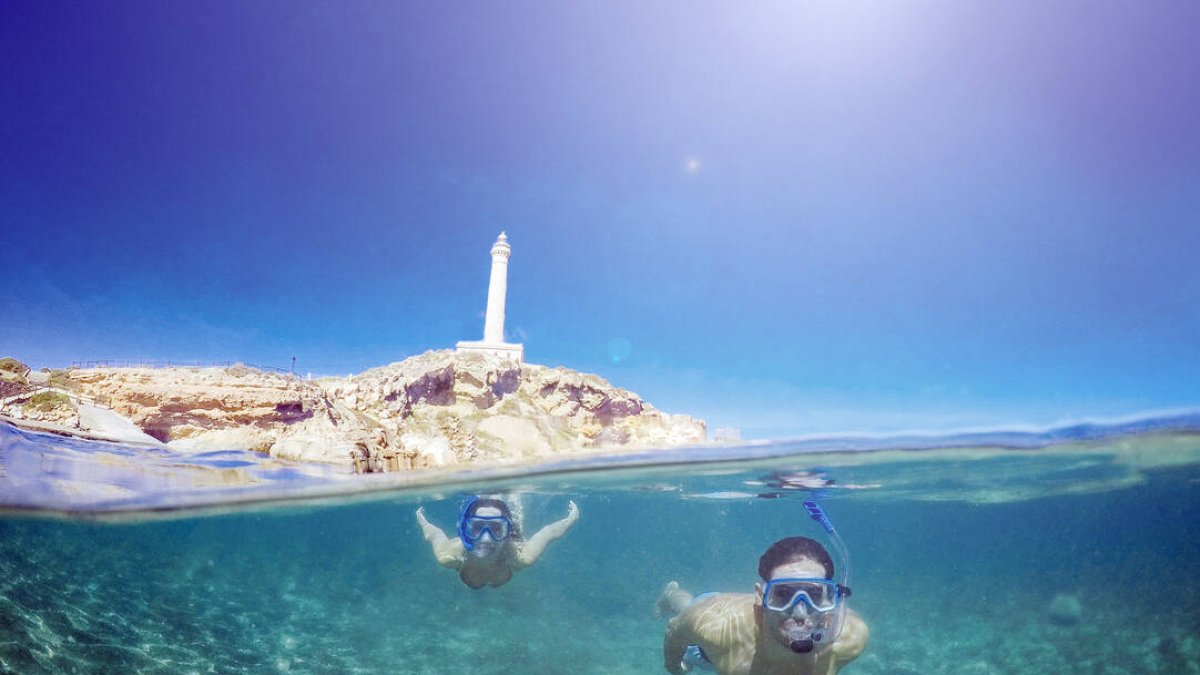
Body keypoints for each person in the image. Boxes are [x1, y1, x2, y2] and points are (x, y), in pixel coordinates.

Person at [658, 532, 868, 675]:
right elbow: (674, 628)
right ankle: (672, 594)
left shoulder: (850, 640)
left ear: (830, 599)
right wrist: (675, 667)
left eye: (813, 594)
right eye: (784, 594)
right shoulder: (717, 627)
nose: (800, 613)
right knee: (685, 606)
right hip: (706, 652)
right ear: (760, 596)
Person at [415, 495, 580, 589]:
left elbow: (548, 533)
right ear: (465, 530)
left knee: (512, 504)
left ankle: (506, 504)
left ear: (506, 533)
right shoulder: (449, 555)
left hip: (511, 538)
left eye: (496, 529)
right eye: (477, 527)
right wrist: (424, 523)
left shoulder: (520, 555)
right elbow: (435, 535)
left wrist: (570, 520)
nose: (485, 538)